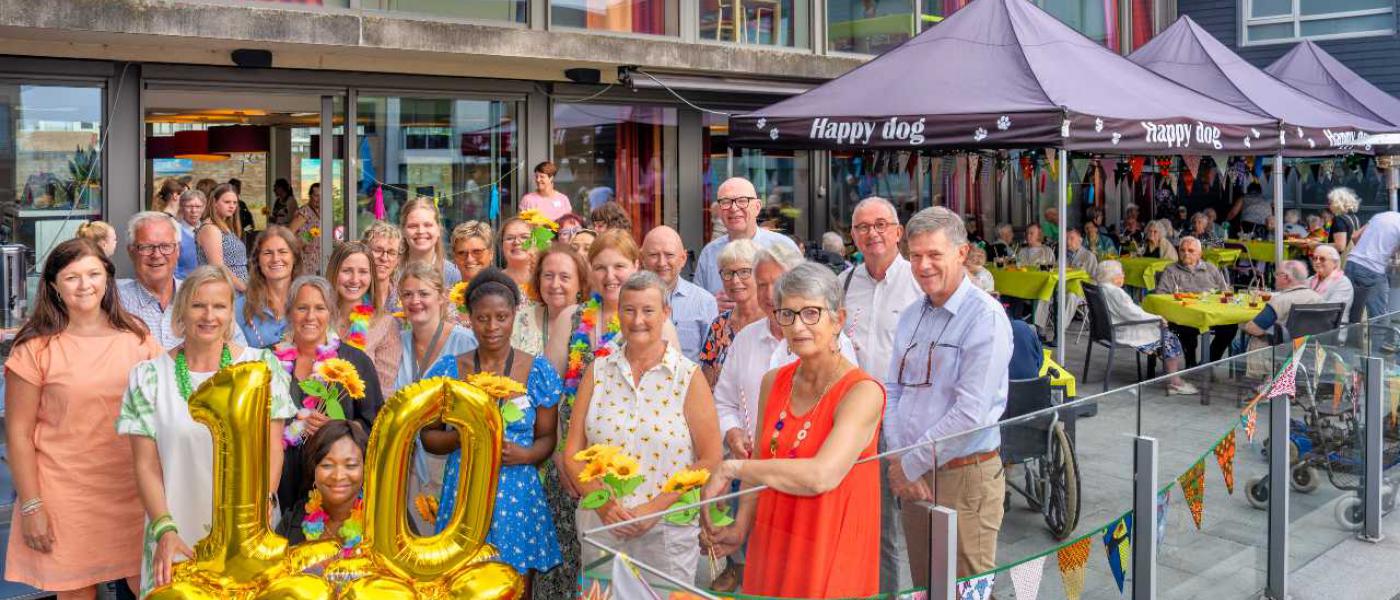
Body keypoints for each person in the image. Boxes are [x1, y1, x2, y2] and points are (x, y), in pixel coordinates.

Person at [700, 263, 884, 598]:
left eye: (811, 313)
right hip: (773, 539)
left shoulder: (862, 392)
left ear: (838, 319)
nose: (798, 326)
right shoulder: (774, 381)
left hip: (829, 544)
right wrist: (741, 528)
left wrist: (731, 466)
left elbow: (821, 476)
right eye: (787, 314)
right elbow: (761, 460)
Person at [117, 265, 294, 596]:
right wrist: (165, 529)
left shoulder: (262, 368)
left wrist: (262, 512)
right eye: (198, 305)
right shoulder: (148, 377)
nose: (208, 315)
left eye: (219, 306)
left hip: (248, 531)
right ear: (182, 308)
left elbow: (272, 449)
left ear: (231, 313)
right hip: (176, 528)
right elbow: (145, 465)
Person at [5, 239, 160, 598]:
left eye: (93, 273)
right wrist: (32, 506)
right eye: (71, 276)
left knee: (156, 590)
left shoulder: (138, 337)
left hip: (134, 491)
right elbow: (17, 434)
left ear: (107, 276)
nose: (84, 284)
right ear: (53, 285)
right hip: (66, 497)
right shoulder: (35, 348)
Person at [542, 229, 679, 596]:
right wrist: (559, 456)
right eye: (600, 267)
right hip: (571, 465)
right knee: (574, 564)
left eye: (619, 265)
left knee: (625, 571)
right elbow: (551, 394)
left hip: (629, 472)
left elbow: (672, 396)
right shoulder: (571, 317)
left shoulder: (653, 320)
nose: (610, 275)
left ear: (636, 265)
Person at [563, 271, 723, 583]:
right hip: (602, 526)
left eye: (648, 310)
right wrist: (605, 505)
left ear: (666, 313)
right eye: (629, 310)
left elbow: (709, 457)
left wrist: (655, 507)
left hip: (667, 529)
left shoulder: (687, 377)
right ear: (618, 312)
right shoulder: (598, 371)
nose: (638, 320)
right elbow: (572, 452)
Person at [885, 206, 1010, 580]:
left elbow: (970, 412)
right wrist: (899, 457)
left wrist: (907, 465)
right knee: (926, 584)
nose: (923, 265)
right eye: (916, 255)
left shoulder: (984, 317)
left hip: (964, 477)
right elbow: (893, 390)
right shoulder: (911, 314)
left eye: (934, 254)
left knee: (965, 587)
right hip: (914, 475)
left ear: (961, 253)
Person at [421, 268, 563, 591]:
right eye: (483, 318)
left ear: (514, 314)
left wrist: (526, 454)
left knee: (515, 583)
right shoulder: (450, 370)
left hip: (517, 493)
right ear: (469, 318)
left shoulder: (536, 370)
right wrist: (464, 437)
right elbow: (428, 437)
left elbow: (548, 438)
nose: (492, 327)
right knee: (461, 582)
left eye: (501, 316)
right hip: (464, 493)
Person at [713, 243, 858, 465]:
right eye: (762, 285)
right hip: (752, 471)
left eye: (779, 283)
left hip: (808, 472)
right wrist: (732, 431)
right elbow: (724, 401)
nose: (770, 294)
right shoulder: (745, 339)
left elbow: (844, 408)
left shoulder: (830, 341)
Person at [273, 275, 384, 511]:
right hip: (279, 485)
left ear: (331, 312)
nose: (310, 317)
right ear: (290, 312)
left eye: (319, 308)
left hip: (336, 491)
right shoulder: (269, 361)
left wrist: (340, 426)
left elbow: (377, 426)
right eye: (302, 308)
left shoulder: (355, 362)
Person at [391, 262, 477, 534]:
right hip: (401, 464)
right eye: (407, 294)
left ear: (441, 297)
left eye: (423, 293)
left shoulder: (467, 343)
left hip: (447, 462)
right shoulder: (395, 342)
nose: (415, 301)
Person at [1095, 261, 1198, 394]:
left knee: (1162, 332)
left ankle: (1169, 375)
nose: (1123, 276)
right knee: (1169, 337)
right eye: (1122, 273)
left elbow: (1131, 312)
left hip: (1108, 330)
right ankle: (1175, 383)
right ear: (1114, 277)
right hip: (1123, 330)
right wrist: (1157, 318)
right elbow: (1133, 313)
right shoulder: (1116, 292)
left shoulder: (1100, 287)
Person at [276, 420, 368, 561]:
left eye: (350, 465)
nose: (338, 476)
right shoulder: (292, 522)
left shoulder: (382, 526)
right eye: (327, 465)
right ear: (314, 469)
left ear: (365, 469)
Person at [694, 177, 802, 297]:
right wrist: (713, 306)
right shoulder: (709, 253)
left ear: (757, 207)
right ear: (719, 211)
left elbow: (802, 297)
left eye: (742, 201)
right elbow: (699, 305)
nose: (734, 208)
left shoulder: (784, 247)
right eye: (726, 202)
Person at [326, 241, 402, 392]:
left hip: (361, 413)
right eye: (347, 271)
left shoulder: (384, 324)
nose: (355, 279)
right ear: (334, 272)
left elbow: (383, 391)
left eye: (362, 272)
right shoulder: (316, 317)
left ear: (371, 277)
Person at [643, 225, 718, 361]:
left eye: (669, 255)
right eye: (654, 255)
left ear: (683, 258)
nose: (661, 262)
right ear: (642, 258)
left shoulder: (704, 302)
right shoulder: (630, 300)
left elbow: (711, 362)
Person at [1155, 237, 1234, 367]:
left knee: (1230, 326)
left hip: (1211, 314)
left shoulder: (1211, 268)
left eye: (1191, 250)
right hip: (1185, 316)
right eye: (1182, 250)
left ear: (1200, 254)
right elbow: (1160, 295)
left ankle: (1210, 361)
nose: (1186, 253)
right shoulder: (1171, 270)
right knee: (1186, 329)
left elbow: (1224, 292)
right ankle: (1191, 364)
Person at [1237, 260, 1323, 376]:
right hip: (1312, 355)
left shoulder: (1280, 301)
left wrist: (1243, 324)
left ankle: (1254, 384)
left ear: (1286, 277)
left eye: (1276, 274)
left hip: (1283, 356)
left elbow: (1255, 329)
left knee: (1251, 340)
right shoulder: (1318, 298)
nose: (1274, 278)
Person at [698, 239, 763, 387]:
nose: (735, 280)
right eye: (728, 273)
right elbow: (706, 384)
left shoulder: (774, 323)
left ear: (759, 274)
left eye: (744, 272)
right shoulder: (719, 325)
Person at [515, 243, 588, 359]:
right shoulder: (519, 321)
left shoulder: (593, 324)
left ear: (580, 283)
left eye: (564, 277)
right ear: (539, 280)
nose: (555, 284)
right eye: (548, 276)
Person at [234, 226, 300, 348]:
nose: (275, 259)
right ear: (257, 260)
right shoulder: (239, 308)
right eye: (267, 253)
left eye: (282, 252)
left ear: (294, 257)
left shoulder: (309, 302)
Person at [1343, 211, 1400, 327]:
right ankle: (1380, 345)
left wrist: (1369, 254)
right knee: (1379, 317)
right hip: (1373, 270)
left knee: (1351, 315)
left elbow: (1354, 236)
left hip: (1351, 263)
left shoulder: (1381, 215)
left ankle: (1347, 344)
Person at [196, 183, 249, 291]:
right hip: (227, 290)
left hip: (238, 289)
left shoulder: (225, 226)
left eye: (235, 202)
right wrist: (244, 288)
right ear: (214, 202)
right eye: (227, 202)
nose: (232, 206)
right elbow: (218, 266)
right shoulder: (210, 228)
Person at [401, 196, 462, 286]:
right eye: (413, 226)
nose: (421, 231)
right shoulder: (392, 272)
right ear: (403, 230)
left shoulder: (453, 275)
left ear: (438, 229)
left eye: (427, 225)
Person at [364, 221, 405, 314]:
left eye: (391, 252)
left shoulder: (405, 296)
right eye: (378, 250)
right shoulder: (354, 295)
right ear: (364, 251)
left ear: (398, 259)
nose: (384, 258)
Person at [1307, 245, 1354, 322]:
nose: (1317, 261)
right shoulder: (1310, 280)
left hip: (1331, 328)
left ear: (1335, 263)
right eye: (1315, 258)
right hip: (1310, 323)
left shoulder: (1342, 282)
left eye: (1322, 259)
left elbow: (1332, 311)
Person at [1316, 187, 1362, 257]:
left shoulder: (1339, 219)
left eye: (1330, 203)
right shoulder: (1354, 218)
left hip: (1341, 261)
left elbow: (1340, 246)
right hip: (1351, 258)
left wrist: (1317, 245)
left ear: (1337, 203)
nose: (1328, 206)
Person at [289, 183, 323, 272]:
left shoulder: (320, 212)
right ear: (310, 196)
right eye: (316, 196)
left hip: (317, 260)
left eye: (321, 196)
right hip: (305, 260)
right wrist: (304, 243)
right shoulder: (304, 212)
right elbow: (289, 232)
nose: (319, 199)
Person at [450, 220, 494, 287]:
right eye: (462, 253)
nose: (469, 259)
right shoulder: (446, 296)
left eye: (477, 252)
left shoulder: (504, 293)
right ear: (454, 257)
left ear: (491, 253)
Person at [499, 217, 535, 293]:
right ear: (502, 245)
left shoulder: (545, 281)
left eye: (524, 237)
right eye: (510, 238)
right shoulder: (493, 282)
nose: (517, 242)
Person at [175, 189, 204, 280]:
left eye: (198, 206)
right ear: (181, 207)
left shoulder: (210, 230)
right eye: (189, 206)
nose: (194, 210)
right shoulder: (175, 231)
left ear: (204, 208)